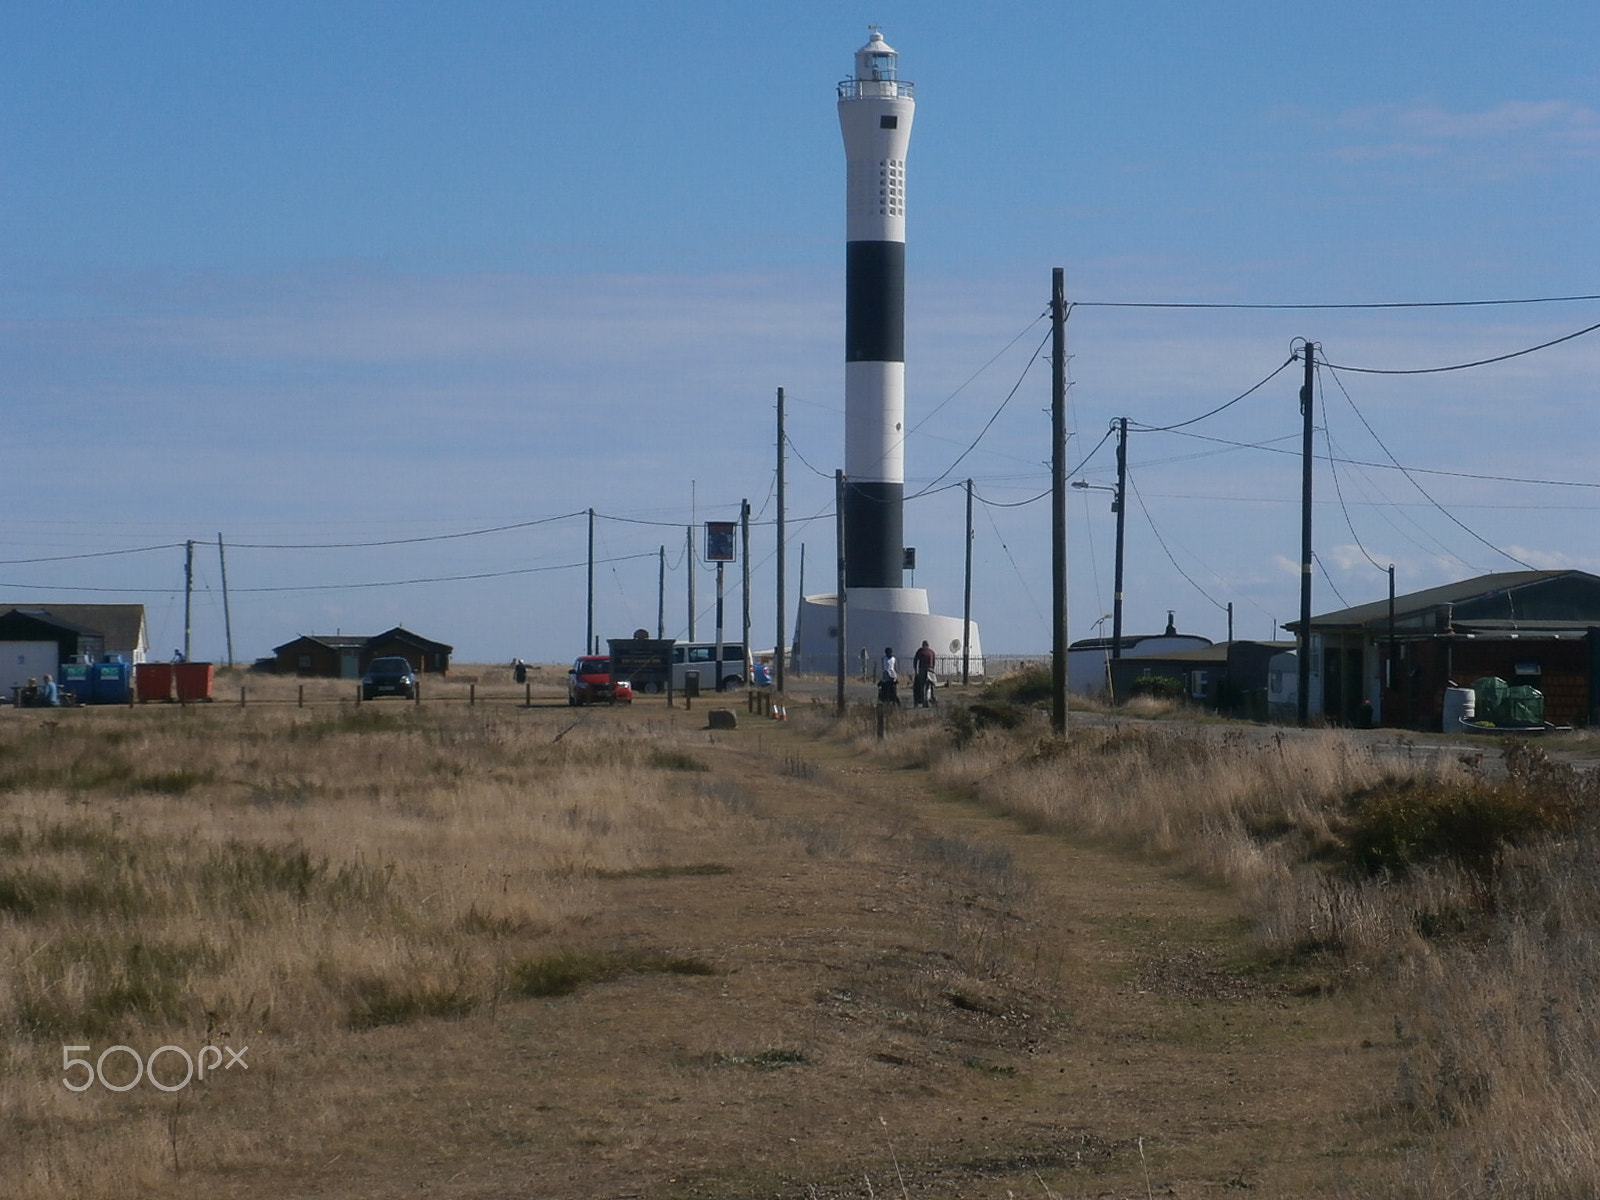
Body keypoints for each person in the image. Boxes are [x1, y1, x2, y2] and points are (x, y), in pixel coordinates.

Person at [913, 640, 937, 708]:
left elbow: (915, 661)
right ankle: (928, 699)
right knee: (929, 685)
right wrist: (932, 670)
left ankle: (924, 701)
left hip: (922, 669)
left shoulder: (920, 651)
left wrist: (916, 671)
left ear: (923, 645)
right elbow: (934, 662)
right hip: (930, 669)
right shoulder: (932, 652)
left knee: (922, 686)